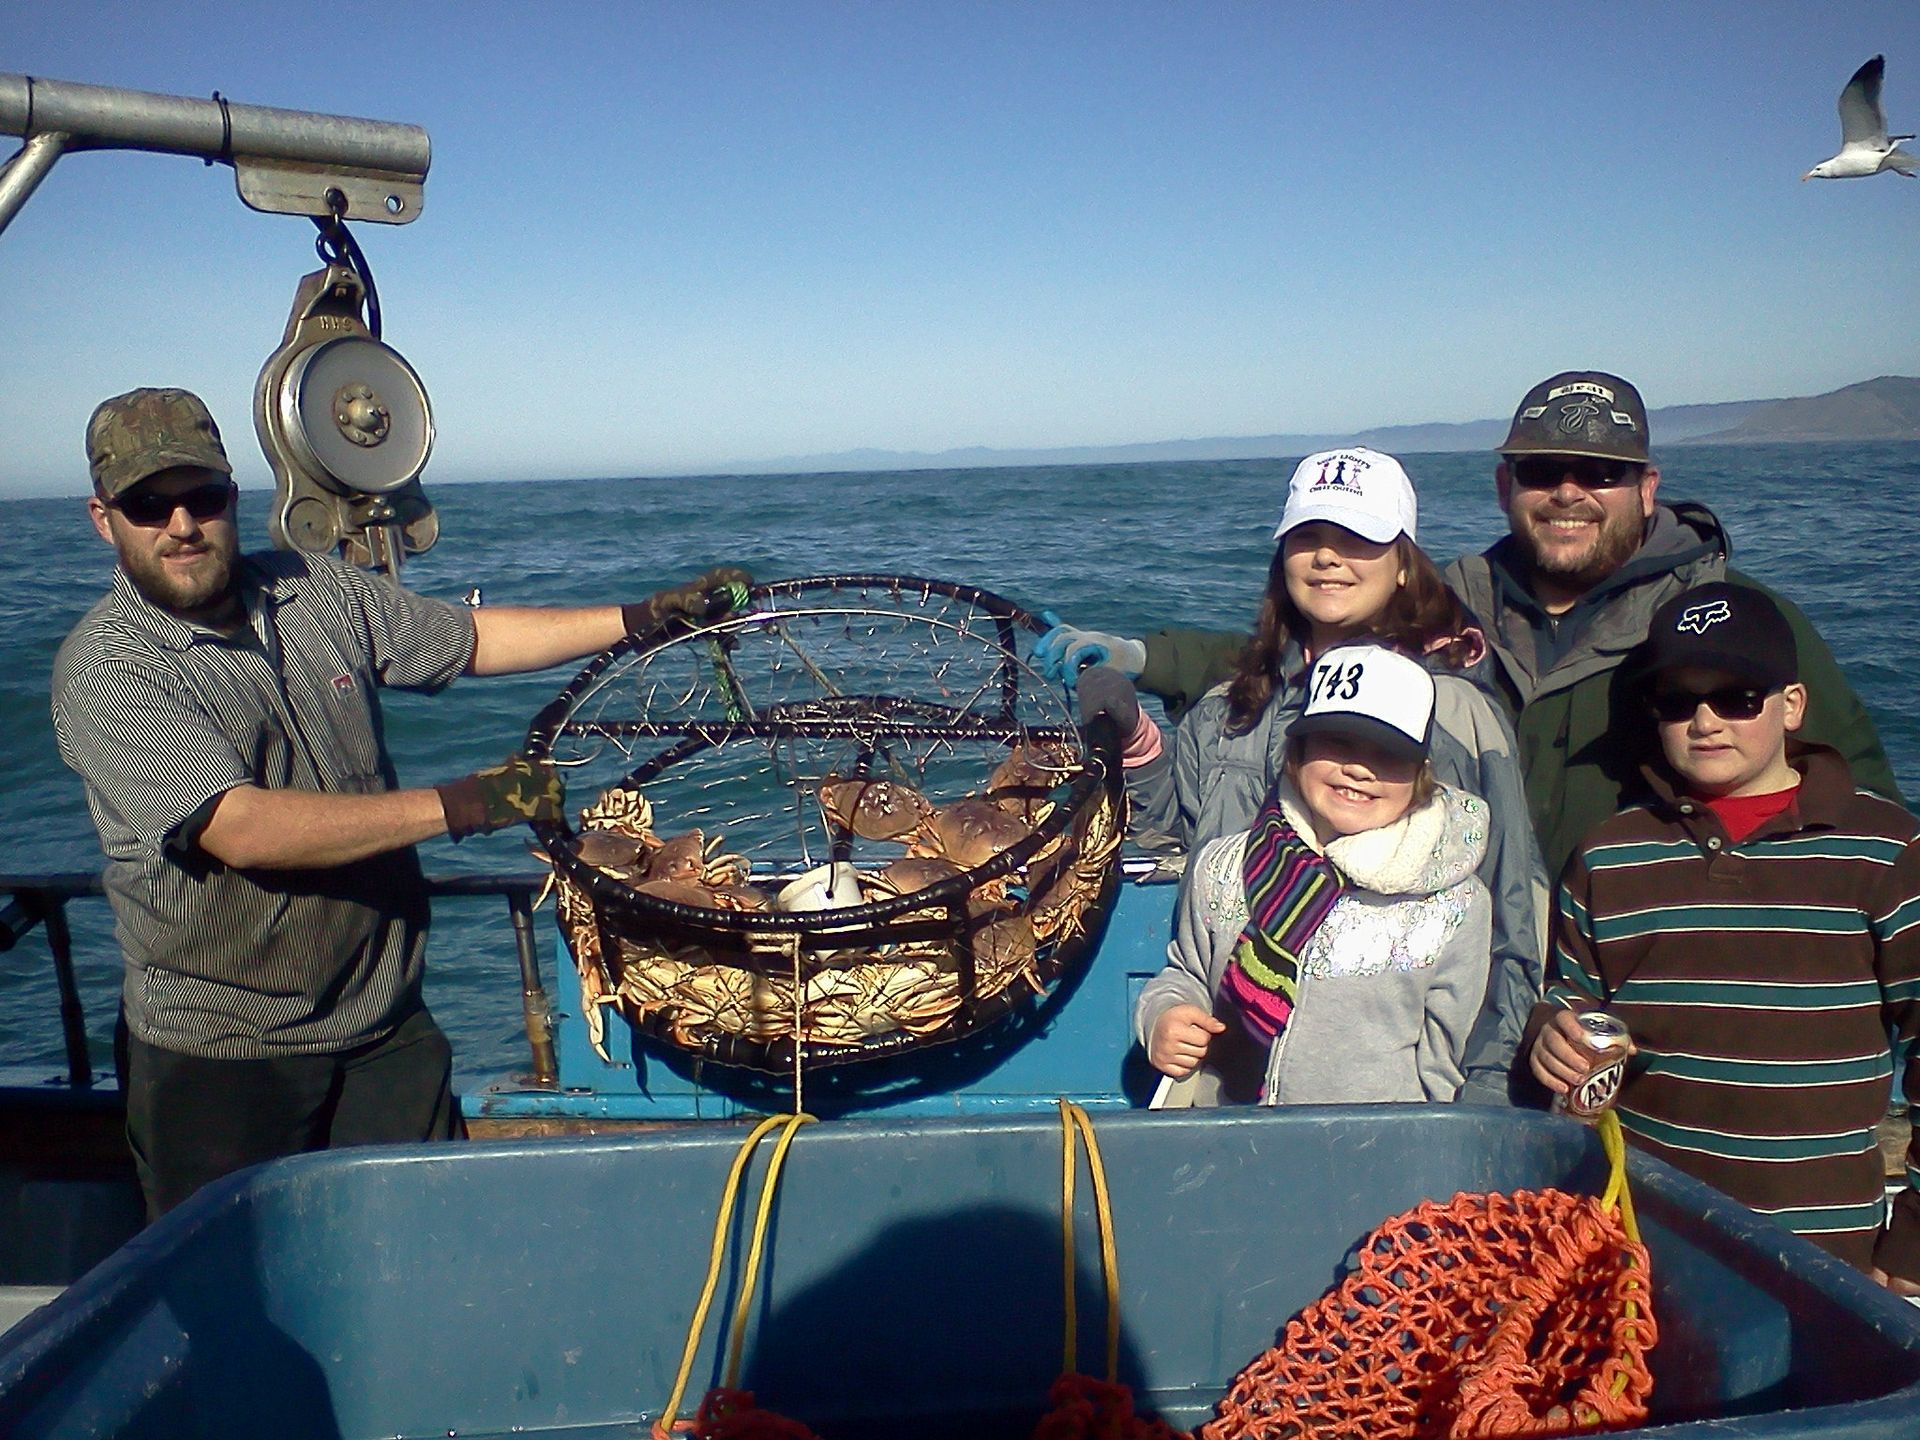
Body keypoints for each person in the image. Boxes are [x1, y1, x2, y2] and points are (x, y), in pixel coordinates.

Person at [50, 387, 750, 1219]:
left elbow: (468, 637)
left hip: (385, 1026)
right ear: (105, 518)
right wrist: (464, 804)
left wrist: (640, 617)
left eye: (201, 497)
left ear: (232, 498)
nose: (181, 525)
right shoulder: (111, 668)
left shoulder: (314, 589)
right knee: (240, 1297)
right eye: (148, 505)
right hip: (224, 1055)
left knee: (435, 1244)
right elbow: (243, 828)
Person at [1039, 372, 1901, 883]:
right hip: (1467, 953)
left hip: (1635, 966)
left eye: (1599, 471)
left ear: (1646, 487)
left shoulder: (1731, 620)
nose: (1568, 491)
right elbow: (1304, 653)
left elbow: (1862, 808)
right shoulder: (1457, 599)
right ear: (1504, 487)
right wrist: (1145, 658)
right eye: (1542, 471)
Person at [1057, 447, 1544, 1105]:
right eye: (1307, 536)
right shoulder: (1226, 709)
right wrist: (1141, 748)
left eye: (1357, 539)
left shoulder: (1458, 712)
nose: (1326, 557)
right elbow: (1173, 854)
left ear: (1404, 563)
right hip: (1226, 1093)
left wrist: (1484, 1100)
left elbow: (1514, 920)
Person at [1526, 582, 1920, 1285]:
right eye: (1678, 702)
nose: (1705, 721)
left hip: (1827, 1248)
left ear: (1792, 705)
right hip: (1645, 1236)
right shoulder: (1608, 853)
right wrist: (1551, 1036)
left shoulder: (1887, 850)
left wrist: (1914, 1237)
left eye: (1737, 698)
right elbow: (1569, 1004)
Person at [1138, 644, 1493, 1107]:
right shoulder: (1222, 867)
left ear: (1421, 773)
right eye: (1339, 742)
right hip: (1224, 1135)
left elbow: (1445, 1063)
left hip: (1370, 1155)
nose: (1359, 769)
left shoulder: (1457, 905)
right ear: (1296, 751)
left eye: (1388, 753)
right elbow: (1185, 973)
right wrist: (1163, 1016)